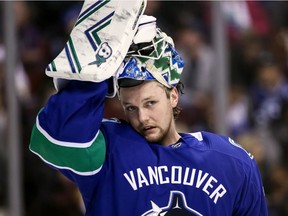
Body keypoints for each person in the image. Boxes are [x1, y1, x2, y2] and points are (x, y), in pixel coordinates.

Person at [29, 16, 268, 215]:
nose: (142, 118)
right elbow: (52, 138)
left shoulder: (231, 162)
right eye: (130, 108)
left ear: (173, 96)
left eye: (150, 103)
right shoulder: (108, 150)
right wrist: (97, 67)